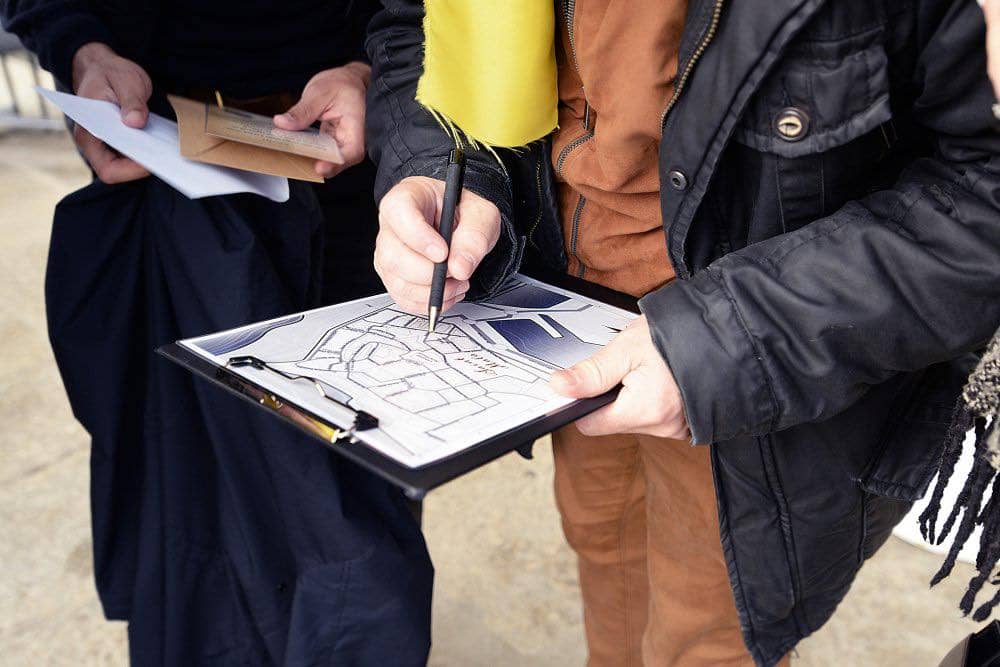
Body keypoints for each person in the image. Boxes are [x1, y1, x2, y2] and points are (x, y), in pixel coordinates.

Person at [366, 1, 1000, 665]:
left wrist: (725, 342)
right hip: (565, 325)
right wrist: (435, 160)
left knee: (707, 639)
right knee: (605, 560)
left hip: (758, 369)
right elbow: (414, 19)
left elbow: (982, 196)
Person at [2, 1, 432, 664]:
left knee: (353, 503)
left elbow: (421, 12)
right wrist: (80, 48)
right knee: (185, 495)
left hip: (345, 174)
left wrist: (377, 71)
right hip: (161, 163)